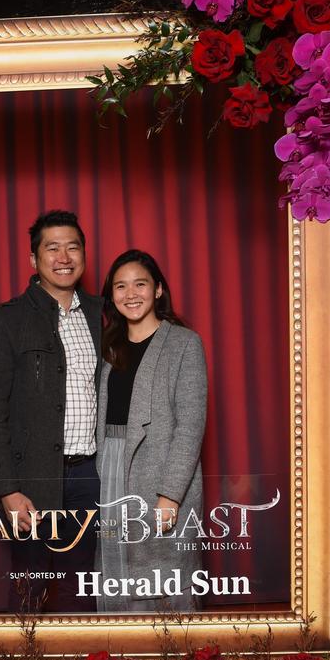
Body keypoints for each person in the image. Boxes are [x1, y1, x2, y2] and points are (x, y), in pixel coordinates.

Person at [0, 210, 102, 613]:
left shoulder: (103, 314)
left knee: (84, 587)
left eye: (73, 247)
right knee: (31, 587)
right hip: (31, 479)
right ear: (34, 259)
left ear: (83, 254)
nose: (64, 257)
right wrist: (7, 489)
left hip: (92, 475)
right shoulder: (5, 320)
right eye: (52, 248)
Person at [96, 249, 207, 613]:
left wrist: (171, 495)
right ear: (111, 295)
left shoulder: (184, 343)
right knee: (116, 573)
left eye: (140, 284)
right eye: (121, 286)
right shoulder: (109, 348)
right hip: (112, 469)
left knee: (166, 581)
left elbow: (190, 425)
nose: (131, 294)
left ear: (158, 290)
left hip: (160, 473)